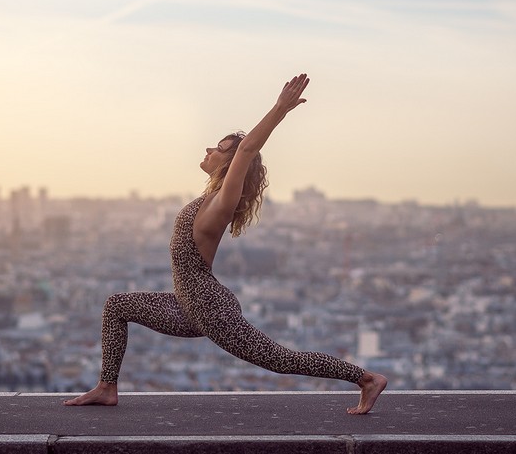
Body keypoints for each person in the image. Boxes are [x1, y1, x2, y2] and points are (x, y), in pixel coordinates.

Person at [63, 73, 388, 414]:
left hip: (211, 309)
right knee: (117, 306)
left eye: (218, 148)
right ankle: (106, 387)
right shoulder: (208, 199)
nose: (208, 149)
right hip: (188, 304)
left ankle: (366, 379)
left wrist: (280, 109)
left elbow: (247, 149)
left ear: (232, 164)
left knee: (279, 359)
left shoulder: (222, 201)